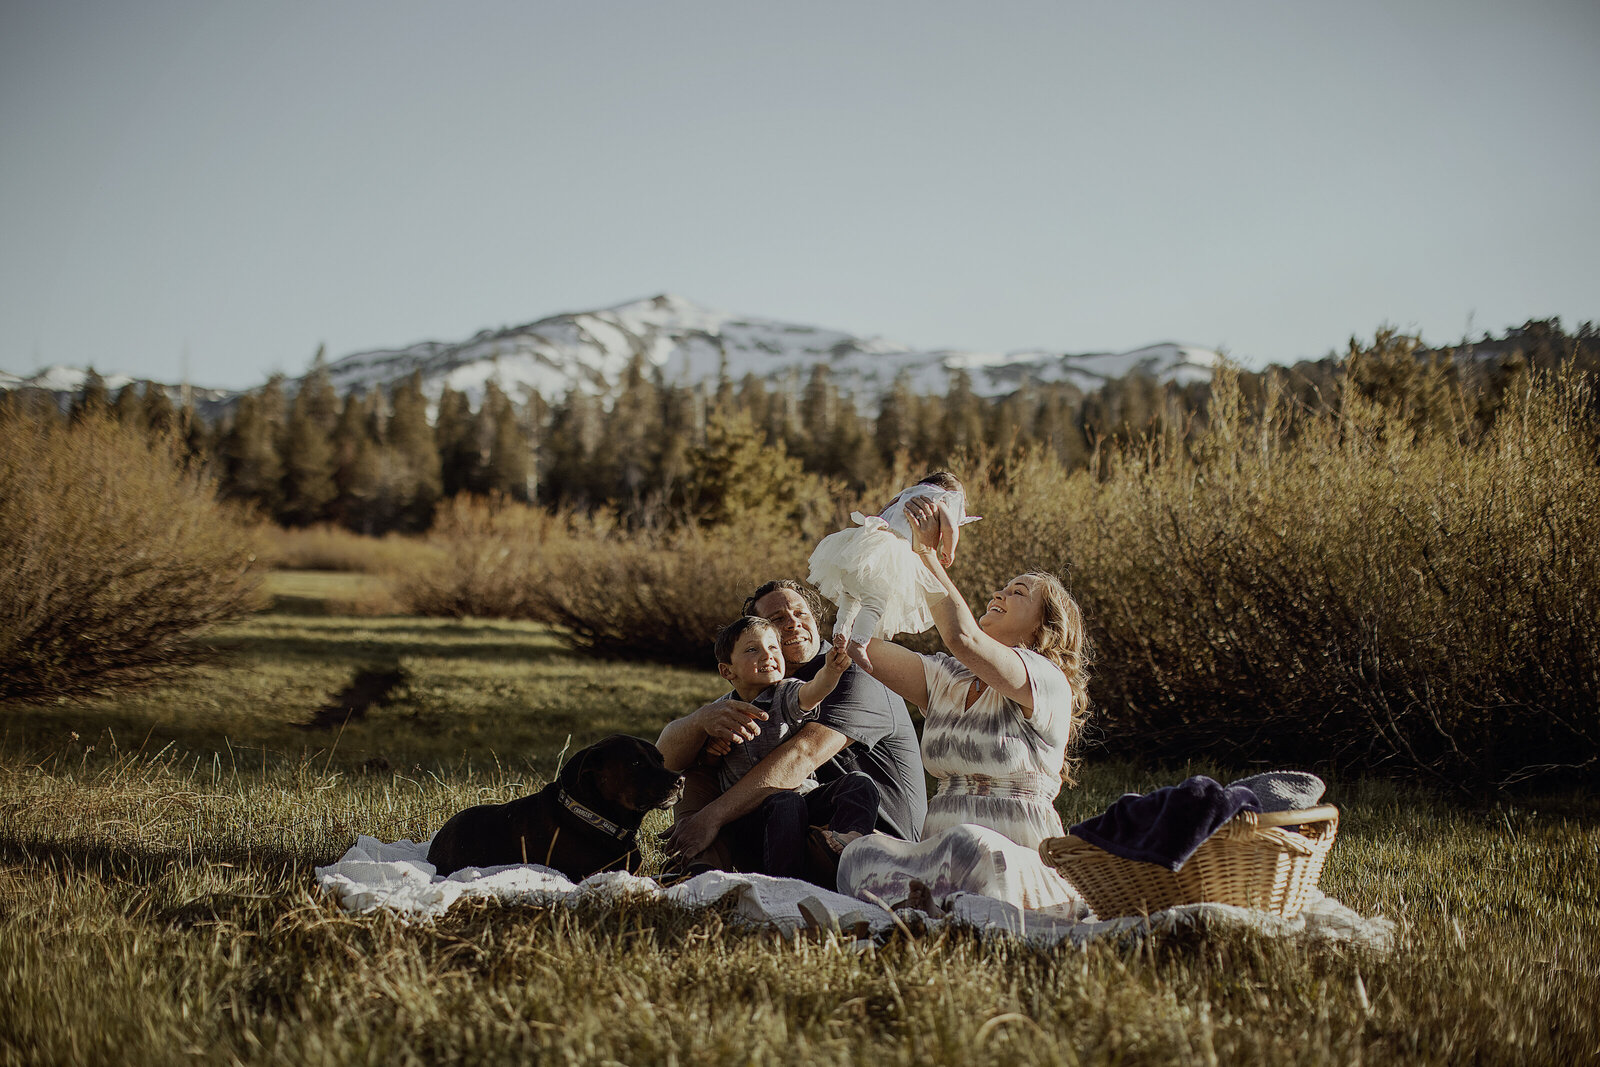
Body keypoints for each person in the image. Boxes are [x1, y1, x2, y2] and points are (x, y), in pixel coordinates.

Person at [835, 495, 1090, 913]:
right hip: (938, 857)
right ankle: (930, 911)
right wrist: (885, 550)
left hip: (1007, 861)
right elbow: (861, 648)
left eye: (1017, 593)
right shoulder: (947, 676)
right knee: (859, 856)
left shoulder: (1046, 680)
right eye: (1003, 587)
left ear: (1045, 627)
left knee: (971, 845)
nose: (999, 593)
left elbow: (963, 637)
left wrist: (927, 555)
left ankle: (926, 914)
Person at [658, 579, 926, 873]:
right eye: (777, 620)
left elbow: (803, 754)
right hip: (788, 825)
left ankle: (777, 885)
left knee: (794, 799)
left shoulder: (852, 670)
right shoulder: (761, 686)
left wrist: (711, 817)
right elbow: (666, 762)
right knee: (698, 764)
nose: (793, 624)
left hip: (871, 839)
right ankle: (694, 865)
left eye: (801, 614)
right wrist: (700, 722)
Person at [704, 616, 878, 877]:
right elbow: (706, 768)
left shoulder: (785, 694)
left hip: (804, 801)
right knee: (786, 802)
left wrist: (831, 672)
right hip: (750, 818)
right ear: (727, 671)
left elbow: (813, 692)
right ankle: (786, 882)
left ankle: (848, 841)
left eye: (774, 647)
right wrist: (713, 750)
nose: (768, 655)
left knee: (858, 782)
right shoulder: (723, 711)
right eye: (753, 649)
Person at [806, 472, 980, 670]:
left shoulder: (905, 494)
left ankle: (841, 632)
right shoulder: (939, 498)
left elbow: (882, 512)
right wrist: (949, 550)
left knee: (850, 597)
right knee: (875, 602)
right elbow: (950, 527)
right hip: (889, 553)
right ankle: (858, 643)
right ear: (951, 494)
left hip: (861, 548)